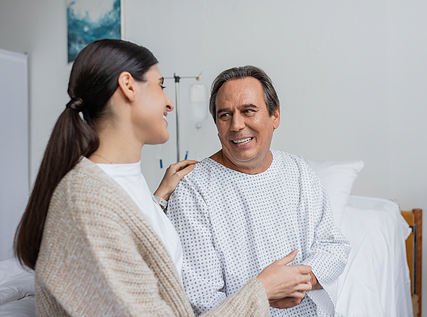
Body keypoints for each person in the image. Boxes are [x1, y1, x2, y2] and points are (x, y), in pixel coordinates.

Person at [13, 40, 313, 317]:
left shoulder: (126, 187)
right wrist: (261, 291)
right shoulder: (87, 199)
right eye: (160, 86)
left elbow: (131, 245)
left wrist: (156, 199)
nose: (170, 103)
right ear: (128, 86)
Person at [167, 66, 351, 317]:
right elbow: (200, 297)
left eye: (248, 111)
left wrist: (294, 282)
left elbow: (333, 245)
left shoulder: (298, 171)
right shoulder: (193, 189)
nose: (236, 125)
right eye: (225, 115)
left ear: (275, 116)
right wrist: (263, 293)